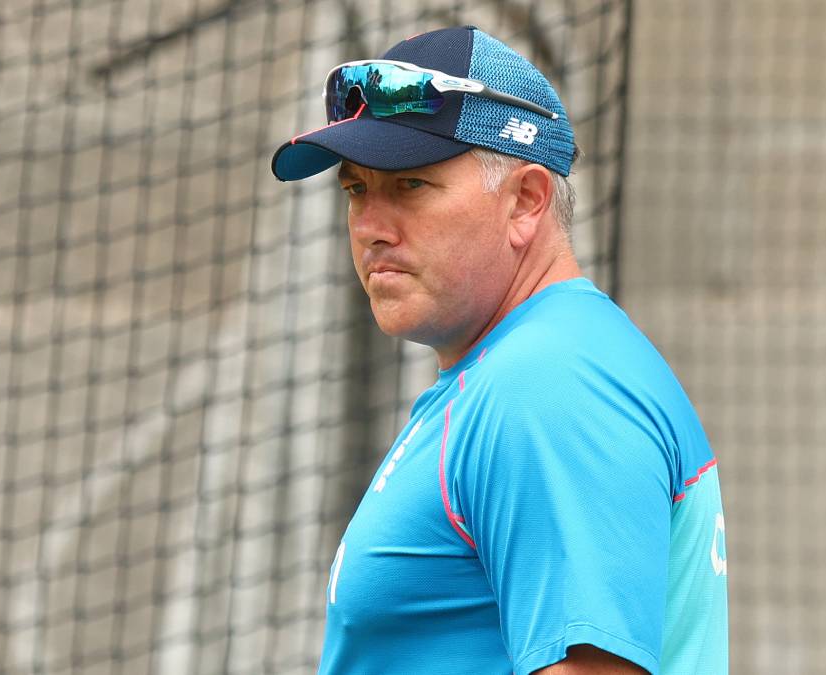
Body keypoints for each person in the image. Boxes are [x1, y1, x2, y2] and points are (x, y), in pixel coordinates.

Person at [270, 26, 727, 675]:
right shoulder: (527, 368)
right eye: (356, 190)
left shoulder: (548, 384)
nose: (370, 227)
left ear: (525, 202)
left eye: (411, 185)